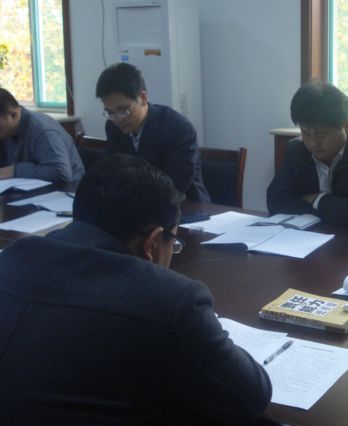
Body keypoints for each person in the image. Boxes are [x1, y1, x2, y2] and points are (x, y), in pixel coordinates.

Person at [0, 155, 271, 423]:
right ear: (153, 243)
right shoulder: (171, 301)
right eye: (173, 242)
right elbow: (251, 396)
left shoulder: (13, 257)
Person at [267, 81, 348, 231]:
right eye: (306, 133)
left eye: (321, 134)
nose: (313, 143)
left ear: (346, 126)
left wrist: (317, 199)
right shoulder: (296, 149)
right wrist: (337, 208)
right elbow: (275, 200)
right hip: (315, 236)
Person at [95, 62, 210, 202]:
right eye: (110, 112)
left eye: (123, 110)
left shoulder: (178, 128)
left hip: (184, 207)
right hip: (133, 204)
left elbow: (173, 188)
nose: (117, 118)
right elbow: (110, 174)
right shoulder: (113, 127)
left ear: (143, 98)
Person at [0, 87, 84, 182]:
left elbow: (61, 172)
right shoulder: (6, 131)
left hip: (69, 188)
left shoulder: (42, 130)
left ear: (13, 115)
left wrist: (13, 170)